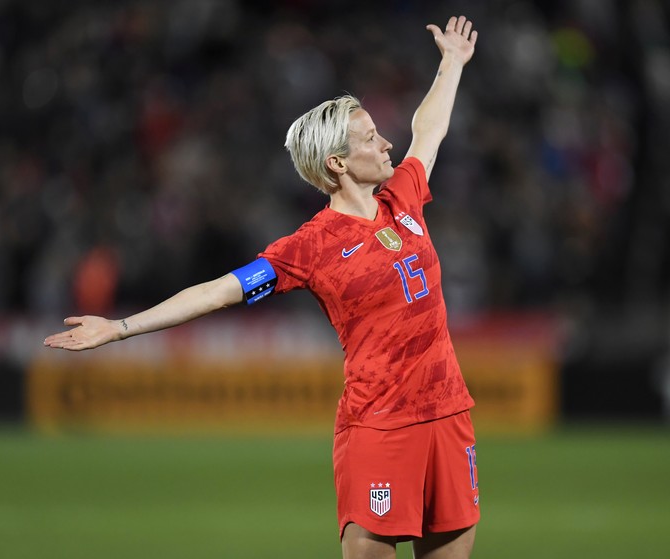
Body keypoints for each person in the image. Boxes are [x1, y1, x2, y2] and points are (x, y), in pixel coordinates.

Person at [45, 15, 479, 559]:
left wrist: (451, 64)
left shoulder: (404, 197)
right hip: (379, 427)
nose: (386, 142)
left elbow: (429, 130)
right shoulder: (311, 246)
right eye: (371, 137)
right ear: (338, 162)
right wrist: (120, 327)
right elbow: (217, 291)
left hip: (447, 415)